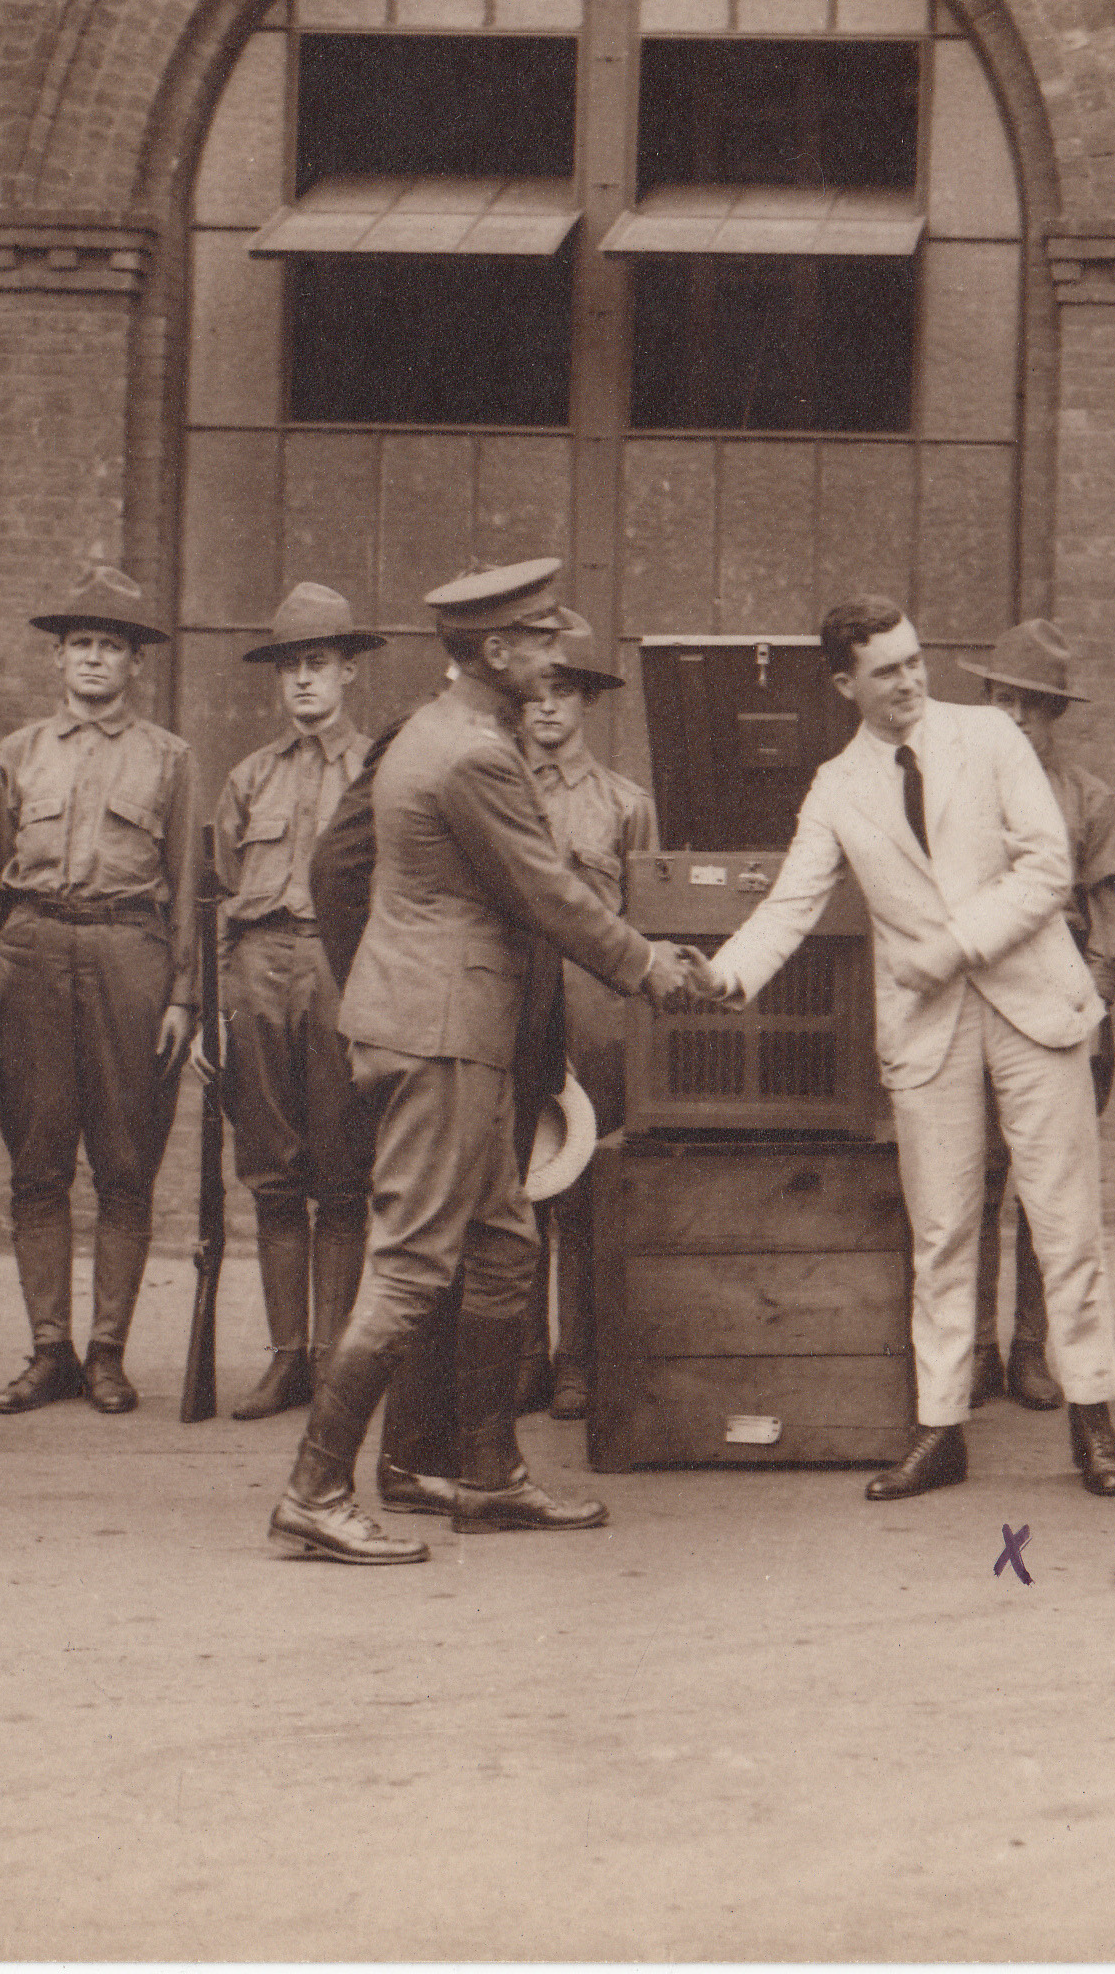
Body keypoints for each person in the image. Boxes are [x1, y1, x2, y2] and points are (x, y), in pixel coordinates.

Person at [269, 559, 699, 1565]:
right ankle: (313, 1490)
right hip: (443, 1031)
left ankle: (490, 1474)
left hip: (452, 1027)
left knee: (504, 1249)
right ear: (495, 651)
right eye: (541, 641)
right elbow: (547, 892)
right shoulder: (470, 757)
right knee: (413, 1265)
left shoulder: (442, 731)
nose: (556, 659)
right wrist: (650, 968)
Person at [703, 596, 1115, 1504]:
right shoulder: (836, 785)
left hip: (1033, 1004)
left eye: (913, 660)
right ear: (843, 683)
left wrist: (952, 947)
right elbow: (790, 903)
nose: (908, 681)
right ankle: (941, 1428)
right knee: (941, 1231)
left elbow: (1047, 867)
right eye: (886, 670)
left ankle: (1093, 1414)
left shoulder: (991, 736)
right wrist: (723, 976)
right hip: (929, 1031)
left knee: (1064, 1221)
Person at [0, 568, 199, 1418]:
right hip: (32, 953)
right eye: (80, 645)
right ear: (58, 658)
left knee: (125, 1165)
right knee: (36, 1165)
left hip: (128, 955)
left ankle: (107, 1353)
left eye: (111, 645)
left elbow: (187, 882)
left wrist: (184, 996)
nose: (94, 659)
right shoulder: (18, 754)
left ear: (135, 662)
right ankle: (48, 1351)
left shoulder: (169, 757)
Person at [209, 582, 383, 1422]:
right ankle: (286, 1358)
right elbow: (219, 894)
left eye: (318, 662)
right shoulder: (250, 777)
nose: (304, 679)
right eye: (290, 667)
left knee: (344, 1175)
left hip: (341, 973)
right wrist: (217, 1006)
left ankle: (334, 1363)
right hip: (258, 971)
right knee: (273, 1172)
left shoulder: (379, 773)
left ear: (349, 670)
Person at [959, 619, 1115, 1414]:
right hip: (975, 1004)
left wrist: (1084, 1020)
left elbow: (1112, 930)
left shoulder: (1088, 799)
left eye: (1034, 704)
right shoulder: (955, 795)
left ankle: (1032, 1349)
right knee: (972, 1184)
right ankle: (976, 1349)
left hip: (1059, 1011)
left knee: (1047, 1193)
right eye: (1004, 700)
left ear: (1056, 713)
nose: (1018, 717)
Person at [519, 631, 658, 1421]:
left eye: (564, 691)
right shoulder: (498, 788)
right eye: (537, 689)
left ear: (590, 701)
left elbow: (644, 928)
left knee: (582, 1192)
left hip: (596, 1017)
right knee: (517, 1185)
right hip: (517, 1006)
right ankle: (522, 1359)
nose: (546, 706)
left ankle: (577, 1360)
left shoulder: (625, 804)